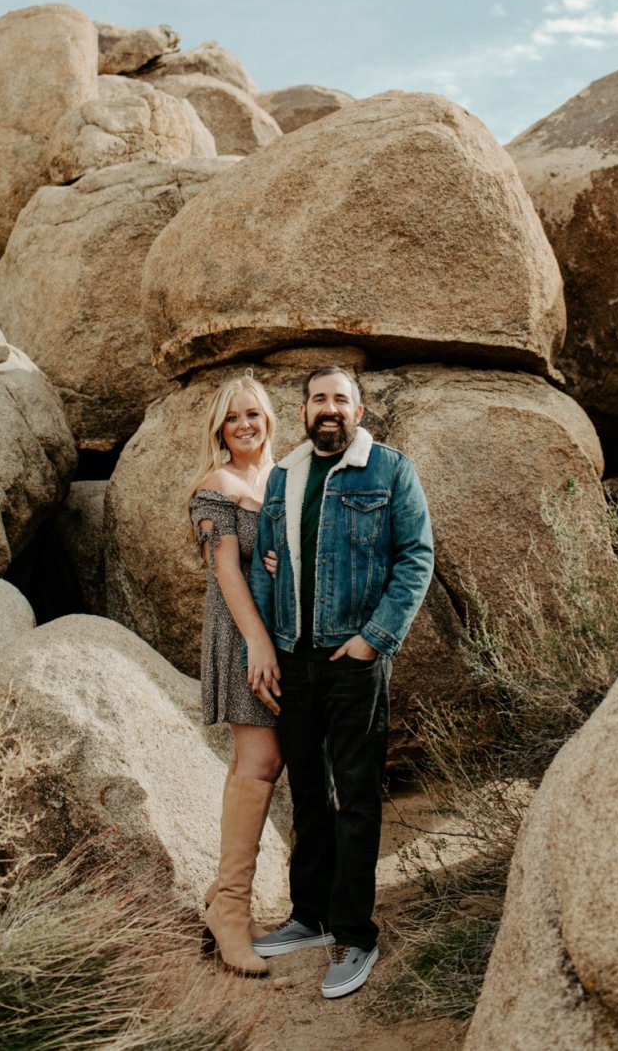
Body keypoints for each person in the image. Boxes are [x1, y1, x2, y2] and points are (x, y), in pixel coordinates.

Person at [247, 365, 435, 1001]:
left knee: (355, 795)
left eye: (340, 399)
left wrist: (373, 640)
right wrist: (269, 645)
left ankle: (355, 931)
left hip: (354, 660)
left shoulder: (389, 469)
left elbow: (417, 557)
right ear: (303, 410)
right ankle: (310, 916)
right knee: (307, 792)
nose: (329, 408)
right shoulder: (284, 475)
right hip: (295, 657)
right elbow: (269, 562)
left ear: (359, 408)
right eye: (318, 399)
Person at [189, 375, 285, 978]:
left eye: (253, 414)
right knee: (257, 762)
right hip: (243, 634)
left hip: (283, 633)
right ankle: (230, 912)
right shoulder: (214, 487)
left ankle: (224, 902)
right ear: (219, 430)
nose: (244, 425)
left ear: (269, 419)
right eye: (232, 418)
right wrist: (257, 643)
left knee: (264, 763)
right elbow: (225, 569)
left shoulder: (281, 480)